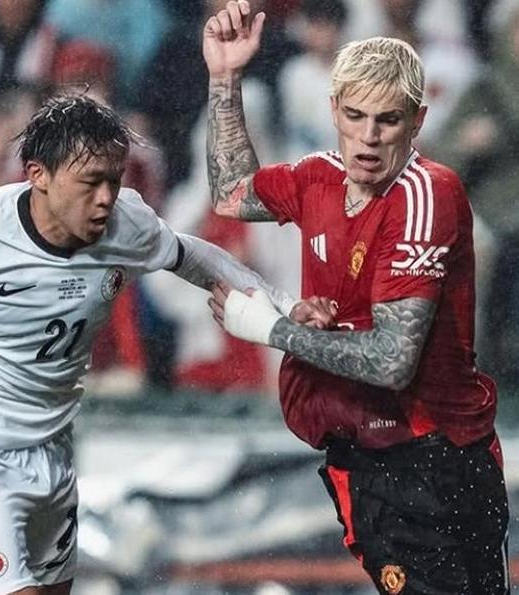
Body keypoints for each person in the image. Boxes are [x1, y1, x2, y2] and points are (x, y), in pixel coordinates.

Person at [0, 92, 305, 595]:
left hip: (55, 456)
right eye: (90, 182)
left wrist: (283, 309)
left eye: (114, 180)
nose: (106, 197)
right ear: (38, 174)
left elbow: (194, 256)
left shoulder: (125, 224)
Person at [202, 2, 509, 594]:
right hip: (372, 455)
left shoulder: (427, 196)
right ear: (334, 110)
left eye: (388, 120)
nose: (368, 138)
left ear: (417, 122)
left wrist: (272, 329)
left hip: (433, 459)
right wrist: (225, 78)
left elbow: (393, 362)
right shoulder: (316, 176)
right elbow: (232, 193)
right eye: (355, 116)